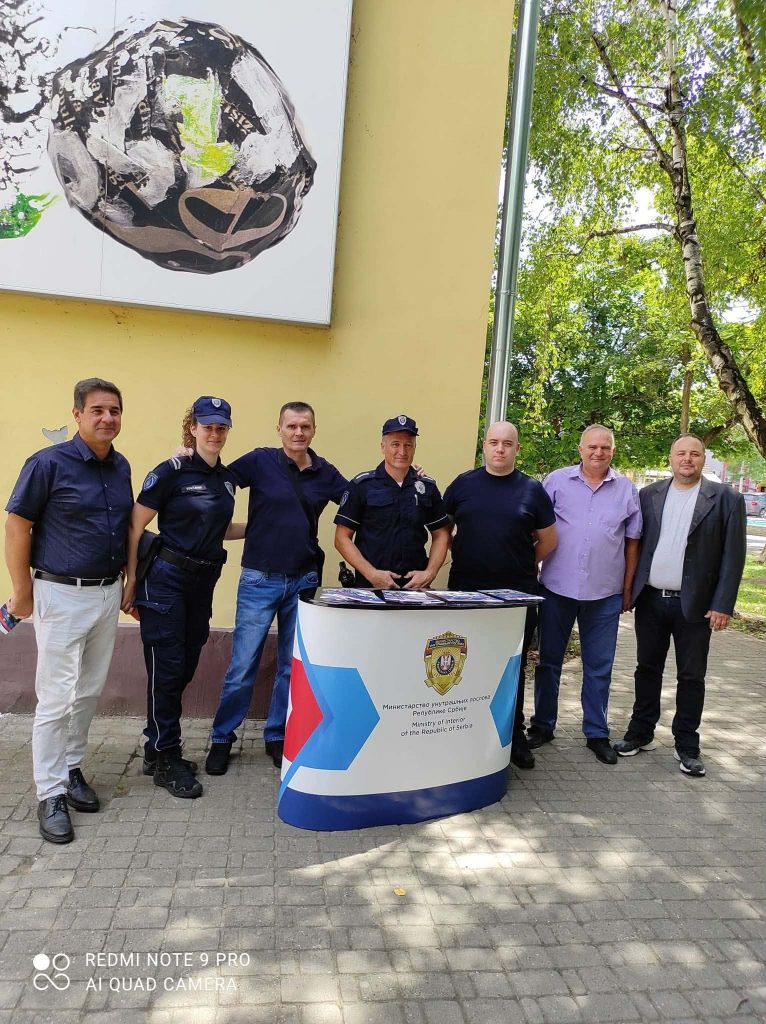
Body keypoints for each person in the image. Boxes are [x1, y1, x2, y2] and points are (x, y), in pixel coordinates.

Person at [4, 379, 132, 843]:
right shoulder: (47, 464)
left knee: (89, 690)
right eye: (97, 410)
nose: (107, 418)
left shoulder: (121, 466)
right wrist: (22, 593)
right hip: (59, 594)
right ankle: (51, 792)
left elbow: (124, 529)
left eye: (114, 410)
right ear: (77, 415)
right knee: (56, 697)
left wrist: (128, 584)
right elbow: (16, 527)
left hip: (106, 594)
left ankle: (72, 767)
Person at [206, 401, 347, 775]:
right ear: (279, 428)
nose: (298, 432)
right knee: (242, 666)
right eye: (292, 426)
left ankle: (276, 735)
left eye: (305, 426)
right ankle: (222, 737)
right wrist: (186, 457)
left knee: (289, 666)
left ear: (313, 430)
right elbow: (217, 477)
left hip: (303, 580)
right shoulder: (260, 460)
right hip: (259, 579)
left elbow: (359, 500)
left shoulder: (324, 472)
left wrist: (405, 474)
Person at [122, 397, 244, 798]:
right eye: (207, 426)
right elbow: (135, 525)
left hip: (202, 583)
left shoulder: (226, 479)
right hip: (166, 581)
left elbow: (218, 528)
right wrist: (131, 580)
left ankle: (155, 747)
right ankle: (167, 758)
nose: (215, 433)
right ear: (193, 428)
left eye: (221, 427)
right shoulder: (170, 471)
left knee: (185, 666)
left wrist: (261, 525)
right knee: (168, 669)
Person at [613, 434, 746, 776]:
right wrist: (628, 590)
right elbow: (634, 544)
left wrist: (723, 604)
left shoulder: (727, 499)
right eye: (681, 453)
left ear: (703, 459)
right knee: (646, 669)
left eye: (695, 454)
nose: (688, 459)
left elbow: (733, 556)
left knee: (691, 676)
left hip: (697, 606)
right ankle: (640, 733)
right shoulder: (649, 495)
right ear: (671, 458)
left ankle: (687, 744)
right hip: (651, 600)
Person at [442, 421, 557, 770]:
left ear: (517, 449)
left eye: (507, 443)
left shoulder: (532, 490)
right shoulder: (463, 485)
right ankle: (465, 734)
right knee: (466, 664)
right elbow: (442, 531)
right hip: (466, 594)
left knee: (513, 668)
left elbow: (549, 540)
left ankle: (514, 736)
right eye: (494, 442)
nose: (500, 449)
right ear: (484, 446)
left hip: (516, 597)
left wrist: (521, 562)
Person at [528, 425, 642, 764]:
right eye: (592, 446)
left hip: (605, 594)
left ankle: (596, 732)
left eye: (605, 447)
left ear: (613, 451)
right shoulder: (556, 482)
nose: (598, 452)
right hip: (556, 589)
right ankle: (543, 725)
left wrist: (627, 588)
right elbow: (534, 528)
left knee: (599, 667)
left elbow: (632, 542)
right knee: (548, 662)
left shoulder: (626, 490)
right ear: (580, 449)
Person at [334, 415, 451, 589]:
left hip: (415, 588)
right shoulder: (362, 486)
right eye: (395, 444)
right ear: (383, 446)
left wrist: (430, 573)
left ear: (415, 447)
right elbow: (341, 538)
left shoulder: (427, 487)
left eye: (408, 445)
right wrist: (371, 574)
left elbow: (441, 534)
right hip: (371, 588)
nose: (402, 452)